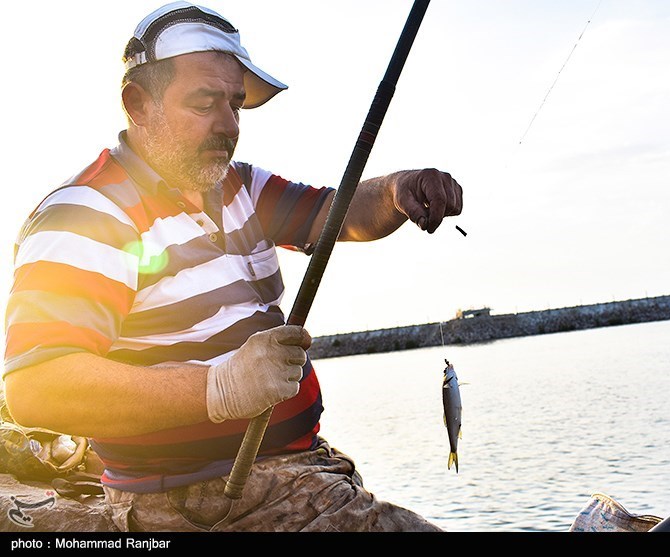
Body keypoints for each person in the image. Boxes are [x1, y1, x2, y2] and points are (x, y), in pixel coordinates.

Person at [2, 2, 461, 532]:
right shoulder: (86, 216)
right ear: (138, 103)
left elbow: (335, 215)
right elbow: (37, 386)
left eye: (236, 104)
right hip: (200, 500)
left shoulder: (236, 184)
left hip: (305, 468)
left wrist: (396, 190)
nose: (228, 124)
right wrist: (219, 388)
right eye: (204, 103)